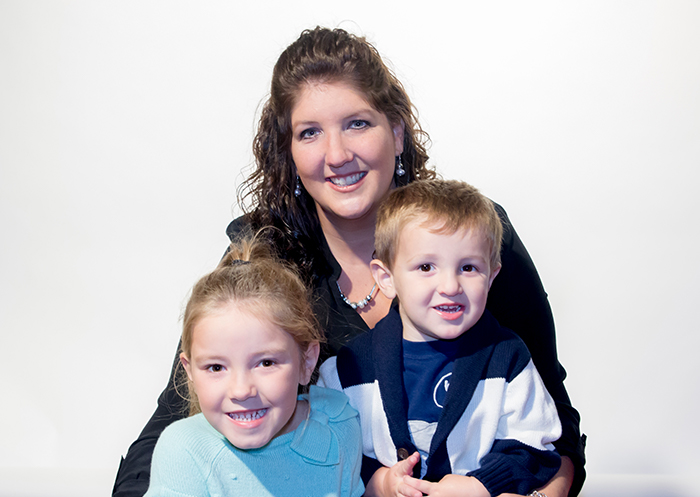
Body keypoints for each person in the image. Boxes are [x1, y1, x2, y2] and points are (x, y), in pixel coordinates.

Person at [113, 26, 585, 497]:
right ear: (290, 154)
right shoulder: (263, 260)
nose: (337, 155)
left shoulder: (471, 239)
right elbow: (177, 419)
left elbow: (553, 424)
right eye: (310, 132)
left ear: (396, 132)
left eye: (357, 123)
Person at [318, 179, 562, 497]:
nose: (450, 286)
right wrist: (376, 481)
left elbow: (535, 447)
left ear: (492, 276)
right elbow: (327, 450)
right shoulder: (348, 369)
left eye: (469, 267)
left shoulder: (507, 358)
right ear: (387, 278)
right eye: (426, 266)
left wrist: (483, 485)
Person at [142, 235, 364, 497]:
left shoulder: (338, 423)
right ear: (189, 371)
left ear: (307, 361)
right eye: (216, 368)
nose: (241, 390)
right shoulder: (185, 451)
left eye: (266, 363)